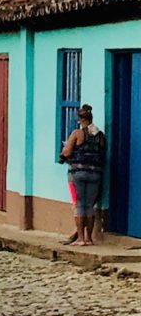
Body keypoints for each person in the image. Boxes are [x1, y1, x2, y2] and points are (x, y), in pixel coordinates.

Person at [60, 104, 105, 247]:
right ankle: (89, 239)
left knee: (79, 205)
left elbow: (66, 152)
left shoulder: (77, 134)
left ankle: (80, 238)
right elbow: (102, 152)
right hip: (95, 174)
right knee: (89, 206)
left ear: (80, 119)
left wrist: (63, 155)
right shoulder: (99, 135)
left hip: (78, 173)